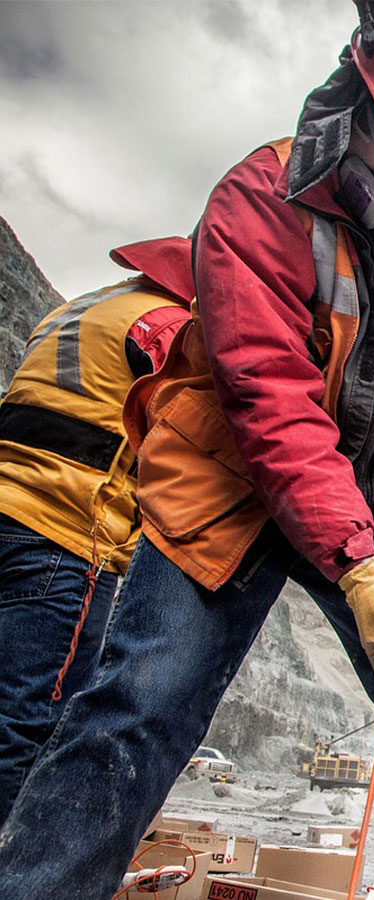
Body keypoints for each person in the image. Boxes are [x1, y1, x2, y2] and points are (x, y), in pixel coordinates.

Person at [0, 2, 374, 897]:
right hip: (235, 484)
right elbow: (269, 401)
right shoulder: (261, 198)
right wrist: (357, 569)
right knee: (143, 702)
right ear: (357, 101)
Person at [0, 238, 191, 823]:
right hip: (65, 535)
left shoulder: (83, 308)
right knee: (28, 728)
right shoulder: (166, 326)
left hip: (9, 509)